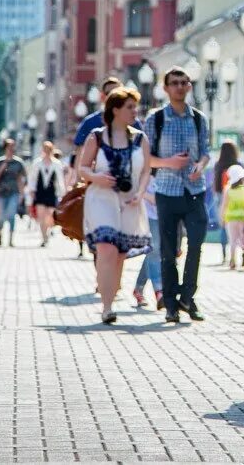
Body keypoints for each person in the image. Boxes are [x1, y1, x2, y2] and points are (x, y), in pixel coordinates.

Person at [78, 87, 152, 324]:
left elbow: (146, 171)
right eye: (130, 107)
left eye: (135, 107)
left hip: (129, 201)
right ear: (116, 109)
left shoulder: (140, 139)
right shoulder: (97, 137)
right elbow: (83, 167)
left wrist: (140, 194)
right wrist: (96, 177)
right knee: (107, 247)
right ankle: (107, 307)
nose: (135, 112)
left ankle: (111, 293)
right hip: (101, 197)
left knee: (119, 253)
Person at [143, 67, 211, 324]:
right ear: (166, 88)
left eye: (184, 82)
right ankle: (171, 304)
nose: (180, 87)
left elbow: (205, 151)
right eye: (175, 83)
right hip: (167, 191)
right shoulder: (156, 119)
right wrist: (170, 162)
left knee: (196, 244)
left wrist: (200, 166)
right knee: (169, 251)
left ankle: (188, 297)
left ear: (190, 86)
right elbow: (146, 157)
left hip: (195, 190)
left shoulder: (198, 118)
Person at [29, 140, 67, 247]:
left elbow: (60, 180)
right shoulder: (37, 163)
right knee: (41, 216)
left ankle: (48, 231)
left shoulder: (57, 164)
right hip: (40, 192)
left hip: (51, 193)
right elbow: (32, 178)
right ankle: (44, 237)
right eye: (45, 149)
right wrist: (31, 190)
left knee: (50, 215)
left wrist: (62, 193)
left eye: (49, 149)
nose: (47, 151)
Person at [133, 181, 164, 310]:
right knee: (154, 250)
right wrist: (145, 195)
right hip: (149, 216)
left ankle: (138, 289)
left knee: (153, 253)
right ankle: (159, 290)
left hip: (166, 215)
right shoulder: (146, 170)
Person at [73, 76, 123, 156]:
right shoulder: (89, 123)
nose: (113, 97)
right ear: (102, 96)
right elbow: (79, 152)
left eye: (117, 93)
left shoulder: (132, 122)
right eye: (108, 93)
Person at [0, 139, 27, 247]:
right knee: (2, 215)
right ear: (5, 148)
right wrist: (3, 166)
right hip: (1, 192)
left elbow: (21, 179)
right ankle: (0, 233)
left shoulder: (18, 163)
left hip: (14, 192)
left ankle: (11, 238)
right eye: (9, 147)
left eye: (13, 147)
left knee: (11, 215)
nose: (12, 149)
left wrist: (21, 194)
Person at [213, 140, 241, 264]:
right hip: (236, 196)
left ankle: (225, 253)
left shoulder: (218, 165)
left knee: (224, 225)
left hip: (221, 195)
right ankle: (239, 252)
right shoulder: (238, 164)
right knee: (239, 227)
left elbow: (215, 183)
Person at [220, 164, 244, 270]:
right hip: (243, 216)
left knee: (232, 239)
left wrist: (222, 217)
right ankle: (243, 256)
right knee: (241, 237)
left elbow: (224, 205)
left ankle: (232, 261)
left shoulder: (228, 190)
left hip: (231, 217)